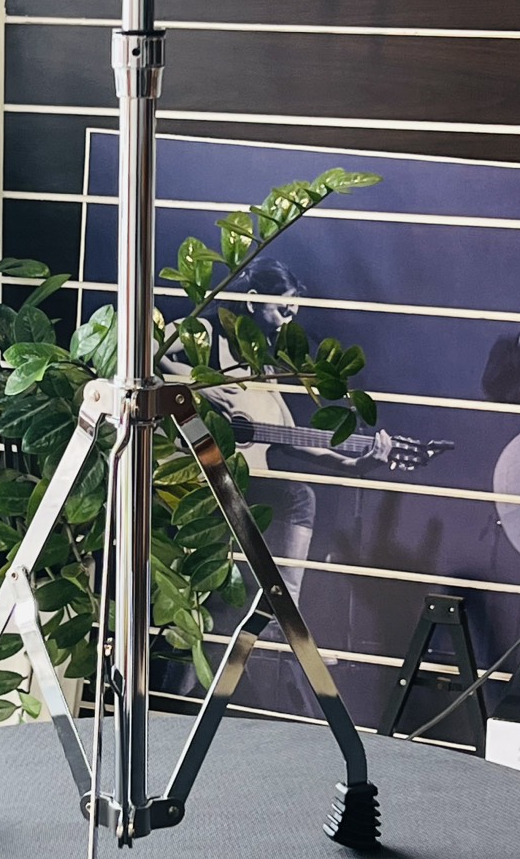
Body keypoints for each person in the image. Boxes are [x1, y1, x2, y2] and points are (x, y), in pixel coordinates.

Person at [162, 256, 393, 608]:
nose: (288, 324)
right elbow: (144, 357)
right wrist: (199, 386)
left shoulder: (264, 369)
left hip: (237, 482)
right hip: (190, 475)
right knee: (298, 498)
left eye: (293, 316)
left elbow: (291, 438)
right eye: (283, 311)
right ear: (253, 301)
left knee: (297, 496)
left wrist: (353, 465)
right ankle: (281, 610)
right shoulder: (204, 334)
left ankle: (280, 610)